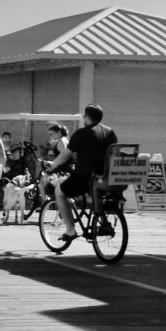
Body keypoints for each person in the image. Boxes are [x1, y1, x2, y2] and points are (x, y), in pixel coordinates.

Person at [45, 104, 118, 243]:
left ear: (88, 117)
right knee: (96, 194)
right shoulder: (110, 133)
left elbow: (66, 154)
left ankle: (70, 230)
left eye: (84, 115)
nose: (84, 118)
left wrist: (53, 165)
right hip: (105, 177)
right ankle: (103, 222)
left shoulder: (82, 133)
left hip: (86, 177)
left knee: (60, 192)